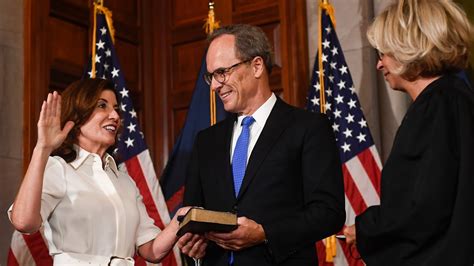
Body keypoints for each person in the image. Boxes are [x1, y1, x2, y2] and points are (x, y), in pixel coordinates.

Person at [177, 24, 345, 265]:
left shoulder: (308, 127)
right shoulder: (206, 141)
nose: (214, 86)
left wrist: (265, 233)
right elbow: (194, 212)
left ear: (256, 66)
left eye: (222, 72)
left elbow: (329, 212)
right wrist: (193, 242)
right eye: (211, 76)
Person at [8, 78, 206, 265]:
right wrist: (42, 148)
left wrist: (179, 220)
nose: (115, 116)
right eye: (102, 105)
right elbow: (24, 222)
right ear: (77, 117)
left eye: (116, 109)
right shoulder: (58, 168)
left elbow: (151, 250)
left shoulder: (125, 181)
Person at [343, 0, 474, 265]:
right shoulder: (455, 100)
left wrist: (366, 230)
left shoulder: (435, 109)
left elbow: (421, 207)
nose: (379, 65)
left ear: (409, 49)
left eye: (384, 54)